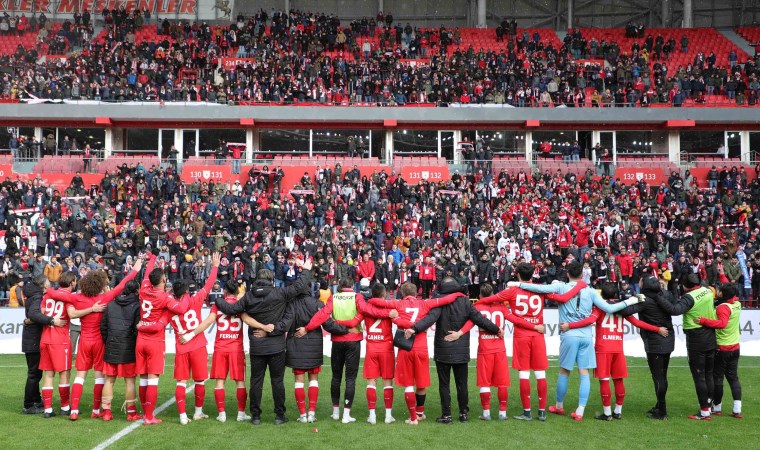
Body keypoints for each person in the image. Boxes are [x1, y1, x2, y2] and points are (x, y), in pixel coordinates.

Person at [514, 261, 645, 421]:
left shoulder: (561, 287)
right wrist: (631, 301)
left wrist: (517, 284)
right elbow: (610, 309)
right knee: (584, 373)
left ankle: (559, 406)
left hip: (568, 335)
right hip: (586, 336)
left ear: (567, 274)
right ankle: (580, 411)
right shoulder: (590, 291)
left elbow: (538, 288)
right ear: (582, 275)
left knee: (564, 371)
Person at [212, 258, 314, 425]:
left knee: (256, 381)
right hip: (276, 346)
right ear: (271, 280)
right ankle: (280, 416)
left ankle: (256, 416)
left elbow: (230, 309)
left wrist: (217, 299)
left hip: (257, 346)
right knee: (277, 382)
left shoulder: (249, 297)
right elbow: (299, 287)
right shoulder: (279, 293)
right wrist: (305, 271)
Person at [45, 257, 143, 421]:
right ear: (100, 285)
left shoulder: (77, 298)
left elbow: (54, 293)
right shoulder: (104, 298)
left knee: (79, 376)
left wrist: (46, 288)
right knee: (99, 378)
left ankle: (74, 410)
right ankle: (97, 410)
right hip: (99, 342)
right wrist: (135, 270)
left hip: (84, 340)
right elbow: (121, 285)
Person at [560, 282, 667, 421]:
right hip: (618, 349)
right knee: (618, 380)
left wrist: (570, 325)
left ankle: (607, 413)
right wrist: (657, 329)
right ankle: (618, 411)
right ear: (616, 294)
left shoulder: (599, 307)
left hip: (603, 349)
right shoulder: (622, 308)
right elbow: (637, 323)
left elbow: (589, 321)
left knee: (604, 381)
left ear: (601, 294)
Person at [298, 277, 396, 424]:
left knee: (336, 377)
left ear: (340, 286)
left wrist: (307, 328)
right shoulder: (357, 297)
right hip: (353, 341)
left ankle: (336, 412)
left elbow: (322, 315)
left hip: (337, 342)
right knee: (350, 378)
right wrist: (387, 314)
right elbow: (368, 310)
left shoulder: (334, 297)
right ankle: (346, 415)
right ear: (352, 285)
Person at [476, 263, 563, 421]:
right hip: (538, 334)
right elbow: (560, 298)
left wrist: (472, 306)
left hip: (522, 335)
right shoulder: (541, 290)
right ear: (533, 274)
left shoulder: (512, 291)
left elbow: (491, 299)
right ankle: (542, 412)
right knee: (540, 373)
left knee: (524, 374)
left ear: (517, 275)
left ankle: (527, 412)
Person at [409, 279, 503, 423]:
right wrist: (497, 330)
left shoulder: (441, 301)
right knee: (462, 384)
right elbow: (480, 319)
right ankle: (463, 413)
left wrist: (414, 328)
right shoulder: (466, 302)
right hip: (461, 350)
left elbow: (430, 319)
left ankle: (446, 415)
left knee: (444, 384)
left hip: (443, 349)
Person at [140, 253, 219, 425]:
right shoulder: (196, 300)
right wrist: (215, 266)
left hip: (181, 347)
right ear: (186, 291)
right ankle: (198, 412)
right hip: (197, 345)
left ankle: (183, 416)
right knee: (199, 380)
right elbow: (209, 284)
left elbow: (160, 323)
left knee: (181, 382)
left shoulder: (169, 308)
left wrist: (141, 325)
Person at [369, 282, 462, 425]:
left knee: (408, 384)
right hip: (421, 347)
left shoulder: (398, 303)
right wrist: (459, 293)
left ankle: (413, 418)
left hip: (405, 348)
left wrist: (398, 320)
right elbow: (446, 300)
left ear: (403, 294)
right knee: (421, 381)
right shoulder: (424, 304)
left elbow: (375, 301)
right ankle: (419, 413)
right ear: (416, 294)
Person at [451, 283, 546, 421]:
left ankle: (486, 413)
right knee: (502, 383)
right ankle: (502, 413)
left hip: (485, 350)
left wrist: (459, 333)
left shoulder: (477, 307)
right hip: (500, 350)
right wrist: (534, 326)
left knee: (485, 383)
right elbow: (517, 320)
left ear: (480, 296)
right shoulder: (502, 308)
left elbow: (469, 324)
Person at [183, 280, 263, 423]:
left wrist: (191, 334)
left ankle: (222, 414)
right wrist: (264, 327)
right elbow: (249, 321)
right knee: (240, 382)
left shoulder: (218, 306)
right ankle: (241, 413)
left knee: (220, 382)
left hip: (220, 348)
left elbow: (207, 322)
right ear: (238, 293)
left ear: (224, 292)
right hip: (236, 349)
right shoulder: (240, 306)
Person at [136, 252, 192, 425]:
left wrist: (152, 257)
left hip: (140, 340)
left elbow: (146, 273)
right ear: (163, 281)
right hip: (154, 341)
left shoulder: (144, 288)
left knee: (143, 378)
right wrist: (187, 294)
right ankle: (149, 416)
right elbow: (182, 309)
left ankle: (145, 413)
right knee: (152, 379)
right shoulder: (165, 297)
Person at [654, 273, 716, 420]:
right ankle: (710, 405)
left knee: (699, 375)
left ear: (685, 286)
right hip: (710, 335)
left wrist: (658, 298)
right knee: (708, 373)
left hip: (696, 338)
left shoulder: (690, 297)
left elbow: (675, 310)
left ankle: (704, 411)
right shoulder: (707, 290)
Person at [620, 275, 677, 420]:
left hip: (655, 341)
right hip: (668, 338)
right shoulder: (664, 295)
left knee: (658, 377)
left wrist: (626, 300)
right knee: (662, 375)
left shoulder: (644, 300)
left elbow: (625, 311)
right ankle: (659, 405)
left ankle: (662, 411)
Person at [99, 279, 143, 422]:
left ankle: (106, 412)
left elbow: (103, 326)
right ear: (137, 291)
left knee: (109, 381)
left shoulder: (111, 304)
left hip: (112, 345)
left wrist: (108, 340)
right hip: (128, 347)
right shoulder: (137, 306)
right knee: (130, 381)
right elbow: (137, 329)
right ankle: (131, 413)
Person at [697, 283, 742, 418]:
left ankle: (717, 407)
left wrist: (703, 321)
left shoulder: (723, 307)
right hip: (735, 346)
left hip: (722, 348)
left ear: (721, 293)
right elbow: (730, 289)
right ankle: (737, 409)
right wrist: (722, 274)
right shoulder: (737, 303)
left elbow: (722, 324)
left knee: (718, 378)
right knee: (733, 378)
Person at [22, 275, 65, 415]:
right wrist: (52, 320)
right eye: (48, 283)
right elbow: (34, 314)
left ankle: (36, 400)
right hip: (33, 339)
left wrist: (29, 320)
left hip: (31, 338)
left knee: (36, 373)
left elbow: (31, 316)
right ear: (43, 286)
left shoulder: (33, 295)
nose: (50, 285)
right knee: (34, 374)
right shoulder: (37, 297)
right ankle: (28, 405)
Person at [38, 272, 78, 418]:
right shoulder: (68, 298)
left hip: (45, 338)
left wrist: (51, 319)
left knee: (48, 374)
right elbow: (72, 314)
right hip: (60, 340)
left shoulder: (48, 295)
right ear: (72, 282)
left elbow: (41, 313)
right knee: (64, 374)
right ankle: (65, 406)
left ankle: (48, 409)